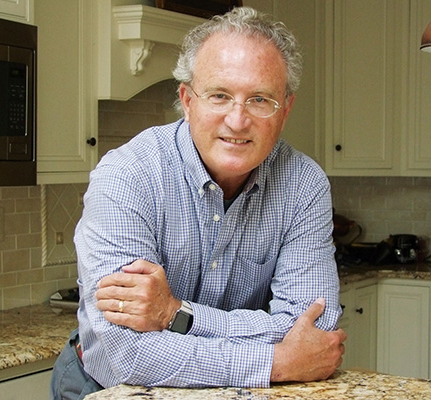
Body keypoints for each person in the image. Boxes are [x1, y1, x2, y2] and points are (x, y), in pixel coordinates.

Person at [51, 6, 346, 399]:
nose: (237, 120)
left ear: (285, 110)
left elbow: (315, 331)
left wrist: (176, 315)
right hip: (107, 388)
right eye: (219, 95)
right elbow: (126, 353)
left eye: (260, 100)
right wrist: (276, 361)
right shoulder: (126, 177)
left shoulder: (303, 184)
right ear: (187, 100)